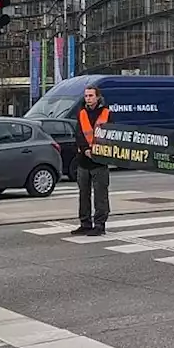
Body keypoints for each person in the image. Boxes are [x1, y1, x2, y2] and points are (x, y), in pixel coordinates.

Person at [72, 85, 112, 237]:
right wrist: (85, 149)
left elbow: (112, 133)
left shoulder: (106, 113)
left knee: (100, 195)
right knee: (84, 194)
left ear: (97, 97)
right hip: (84, 160)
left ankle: (100, 224)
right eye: (86, 96)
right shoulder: (81, 113)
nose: (88, 98)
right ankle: (85, 223)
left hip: (100, 161)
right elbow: (79, 134)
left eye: (90, 96)